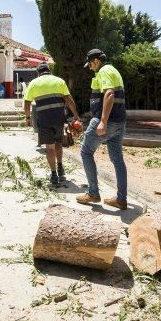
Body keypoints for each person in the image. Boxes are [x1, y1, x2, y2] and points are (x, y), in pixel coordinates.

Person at [76, 48, 129, 210]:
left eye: (90, 64)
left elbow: (110, 94)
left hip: (107, 121)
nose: (90, 67)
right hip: (119, 122)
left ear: (96, 61)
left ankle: (93, 193)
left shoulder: (105, 71)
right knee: (117, 159)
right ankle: (121, 199)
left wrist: (103, 121)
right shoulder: (113, 70)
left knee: (85, 152)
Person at [23, 62, 80, 187]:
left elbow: (27, 103)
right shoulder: (59, 81)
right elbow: (69, 99)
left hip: (44, 120)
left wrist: (28, 118)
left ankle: (54, 175)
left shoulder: (33, 83)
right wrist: (75, 115)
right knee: (58, 143)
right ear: (49, 71)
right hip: (59, 119)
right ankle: (60, 168)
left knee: (50, 148)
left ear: (38, 72)